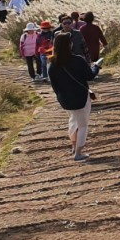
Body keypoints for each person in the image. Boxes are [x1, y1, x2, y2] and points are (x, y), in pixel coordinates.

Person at [47, 31, 99, 162]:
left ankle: (74, 146)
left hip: (65, 99)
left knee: (73, 122)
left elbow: (55, 86)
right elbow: (90, 76)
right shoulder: (77, 60)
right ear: (69, 45)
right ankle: (78, 153)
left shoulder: (52, 64)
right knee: (82, 125)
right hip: (81, 97)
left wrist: (60, 96)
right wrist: (96, 67)